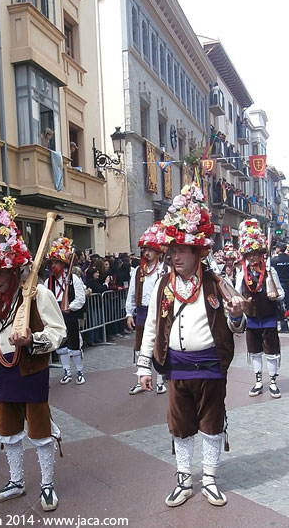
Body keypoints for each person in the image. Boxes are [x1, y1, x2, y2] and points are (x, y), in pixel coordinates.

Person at [137, 183, 247, 508]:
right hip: (177, 368)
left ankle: (210, 479)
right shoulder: (162, 285)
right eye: (172, 251)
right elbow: (153, 327)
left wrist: (238, 316)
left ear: (198, 252)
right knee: (180, 425)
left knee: (212, 424)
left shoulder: (216, 283)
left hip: (212, 366)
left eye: (181, 251)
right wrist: (144, 366)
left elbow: (233, 326)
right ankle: (184, 480)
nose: (174, 256)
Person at [0, 197, 66, 510]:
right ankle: (16, 481)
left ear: (14, 270)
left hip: (31, 370)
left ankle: (47, 485)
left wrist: (32, 341)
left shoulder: (40, 293)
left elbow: (58, 332)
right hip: (4, 370)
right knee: (8, 429)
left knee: (39, 430)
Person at [236, 219, 284, 398]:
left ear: (261, 254)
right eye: (249, 255)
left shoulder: (270, 271)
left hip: (269, 316)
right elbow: (236, 293)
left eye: (255, 254)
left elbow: (281, 292)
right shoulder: (242, 273)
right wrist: (241, 302)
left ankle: (272, 381)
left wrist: (276, 295)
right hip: (252, 318)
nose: (252, 258)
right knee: (254, 351)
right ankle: (257, 381)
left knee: (271, 351)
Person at [126, 224, 167, 395]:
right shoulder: (138, 271)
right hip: (142, 312)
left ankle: (160, 381)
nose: (146, 253)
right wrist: (129, 313)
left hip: (161, 312)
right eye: (144, 250)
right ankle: (140, 379)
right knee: (140, 347)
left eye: (150, 249)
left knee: (161, 346)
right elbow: (132, 292)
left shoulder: (165, 270)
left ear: (158, 251)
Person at [46, 237, 86, 385]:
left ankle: (80, 372)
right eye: (52, 263)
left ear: (63, 264)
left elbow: (81, 298)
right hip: (57, 317)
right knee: (61, 346)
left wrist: (71, 307)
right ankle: (66, 372)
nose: (53, 265)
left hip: (69, 315)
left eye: (56, 262)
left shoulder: (73, 278)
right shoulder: (47, 281)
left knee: (74, 345)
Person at [271, 241, 289, 332]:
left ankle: (283, 323)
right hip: (288, 283)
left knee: (280, 304)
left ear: (278, 249)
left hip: (279, 284)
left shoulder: (274, 260)